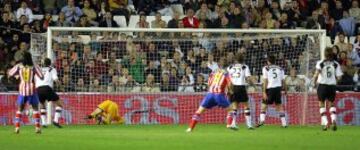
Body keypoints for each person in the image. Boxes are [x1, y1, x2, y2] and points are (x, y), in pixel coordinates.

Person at [186, 68, 235, 132]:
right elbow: (230, 83)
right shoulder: (226, 74)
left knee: (199, 111)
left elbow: (209, 83)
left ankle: (190, 128)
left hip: (210, 94)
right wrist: (231, 91)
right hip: (219, 95)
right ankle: (229, 124)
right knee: (231, 110)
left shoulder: (213, 73)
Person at [8, 52, 44, 134]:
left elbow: (10, 73)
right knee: (35, 108)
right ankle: (37, 128)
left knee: (20, 109)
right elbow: (42, 77)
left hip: (22, 90)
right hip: (32, 90)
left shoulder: (19, 66)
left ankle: (17, 128)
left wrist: (17, 75)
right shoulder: (34, 66)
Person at [312, 47, 343, 131]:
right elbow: (339, 77)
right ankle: (333, 120)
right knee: (331, 104)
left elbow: (316, 74)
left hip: (322, 86)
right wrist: (334, 81)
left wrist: (314, 83)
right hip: (332, 86)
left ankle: (325, 123)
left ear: (324, 54)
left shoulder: (320, 63)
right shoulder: (336, 64)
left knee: (321, 104)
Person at [257, 55, 287, 128]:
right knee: (279, 106)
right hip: (278, 89)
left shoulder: (265, 68)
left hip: (270, 88)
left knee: (264, 105)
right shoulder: (280, 68)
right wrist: (285, 89)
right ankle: (284, 123)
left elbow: (265, 80)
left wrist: (264, 92)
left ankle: (262, 121)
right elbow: (283, 81)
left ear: (268, 61)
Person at [227, 53, 256, 129]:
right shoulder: (244, 67)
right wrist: (253, 84)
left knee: (234, 106)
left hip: (232, 87)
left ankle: (233, 123)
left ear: (235, 59)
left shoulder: (230, 67)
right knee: (246, 106)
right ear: (242, 59)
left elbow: (228, 79)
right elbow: (248, 79)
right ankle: (249, 124)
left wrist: (228, 89)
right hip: (241, 87)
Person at [35, 58, 63, 128]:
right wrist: (61, 87)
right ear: (50, 63)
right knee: (59, 104)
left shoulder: (38, 69)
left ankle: (44, 123)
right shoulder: (52, 69)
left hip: (38, 88)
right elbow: (55, 79)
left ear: (43, 63)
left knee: (42, 104)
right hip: (47, 88)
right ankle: (55, 120)